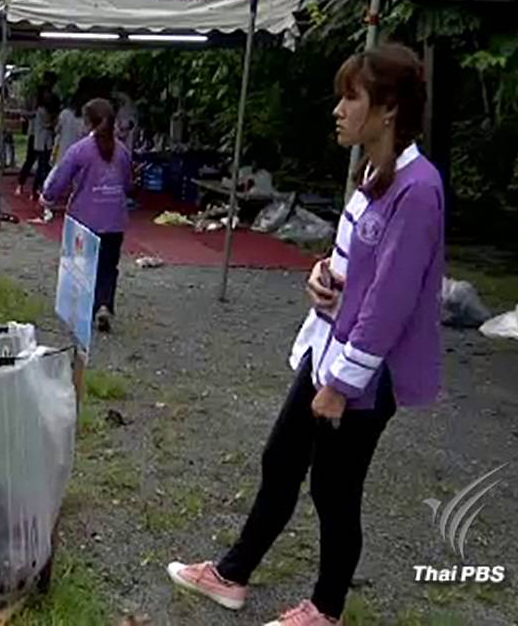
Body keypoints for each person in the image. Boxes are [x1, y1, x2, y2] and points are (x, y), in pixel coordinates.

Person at [166, 44, 444, 626]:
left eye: (351, 97)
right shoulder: (376, 172)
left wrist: (342, 384)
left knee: (335, 490)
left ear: (387, 108)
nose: (337, 110)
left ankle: (326, 608)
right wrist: (325, 278)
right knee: (281, 460)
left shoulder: (418, 189)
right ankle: (232, 575)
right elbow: (360, 266)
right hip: (330, 350)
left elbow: (391, 303)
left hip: (363, 374)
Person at [41, 99, 132, 333]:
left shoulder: (80, 150)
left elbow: (61, 178)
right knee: (108, 266)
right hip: (114, 219)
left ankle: (80, 309)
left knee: (80, 264)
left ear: (88, 122)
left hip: (85, 217)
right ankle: (104, 304)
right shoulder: (122, 151)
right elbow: (127, 182)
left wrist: (48, 197)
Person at [17, 71, 59, 199]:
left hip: (41, 136)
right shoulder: (38, 102)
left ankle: (31, 187)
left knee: (41, 163)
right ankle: (24, 185)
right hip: (37, 134)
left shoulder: (48, 102)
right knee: (34, 161)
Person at [54, 90, 88, 163]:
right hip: (77, 152)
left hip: (63, 149)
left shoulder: (64, 113)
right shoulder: (83, 120)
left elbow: (57, 129)